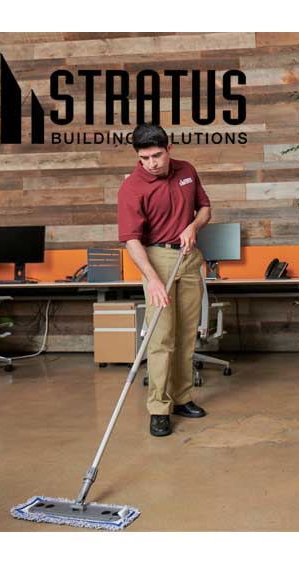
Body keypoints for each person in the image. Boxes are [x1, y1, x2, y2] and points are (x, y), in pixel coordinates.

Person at [118, 123, 212, 437]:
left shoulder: (186, 170)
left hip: (188, 257)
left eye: (157, 155)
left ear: (169, 148)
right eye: (144, 158)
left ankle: (182, 398)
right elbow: (132, 241)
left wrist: (193, 226)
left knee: (187, 335)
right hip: (156, 260)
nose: (152, 163)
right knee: (161, 340)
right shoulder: (132, 187)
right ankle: (159, 408)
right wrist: (153, 280)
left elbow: (205, 208)